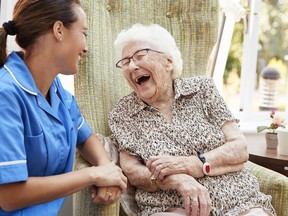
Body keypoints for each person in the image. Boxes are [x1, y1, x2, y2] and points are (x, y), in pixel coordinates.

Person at [108, 23, 276, 216]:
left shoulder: (202, 89)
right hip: (171, 207)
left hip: (239, 202)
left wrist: (191, 165)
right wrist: (178, 180)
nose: (132, 66)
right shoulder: (123, 113)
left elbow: (239, 149)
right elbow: (132, 171)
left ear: (168, 62)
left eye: (139, 56)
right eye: (125, 62)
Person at [0, 0, 127, 215]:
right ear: (59, 30)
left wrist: (107, 168)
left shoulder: (57, 91)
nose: (86, 47)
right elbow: (9, 196)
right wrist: (95, 175)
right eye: (83, 33)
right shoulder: (6, 94)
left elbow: (85, 137)